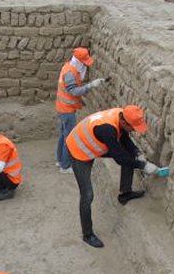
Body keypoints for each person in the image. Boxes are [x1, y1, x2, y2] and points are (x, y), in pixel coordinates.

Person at [66, 105, 161, 248]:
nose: (135, 130)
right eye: (133, 127)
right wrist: (144, 166)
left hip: (93, 144)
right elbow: (120, 158)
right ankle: (88, 234)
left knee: (129, 156)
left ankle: (125, 193)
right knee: (87, 195)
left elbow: (124, 137)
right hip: (79, 150)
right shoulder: (107, 129)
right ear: (124, 122)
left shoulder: (120, 114)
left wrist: (136, 152)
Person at [55, 47, 108, 174]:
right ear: (78, 61)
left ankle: (60, 160)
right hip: (66, 110)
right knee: (69, 137)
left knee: (63, 135)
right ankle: (65, 166)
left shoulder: (70, 68)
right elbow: (73, 91)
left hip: (63, 107)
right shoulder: (70, 73)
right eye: (84, 62)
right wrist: (91, 85)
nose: (85, 65)